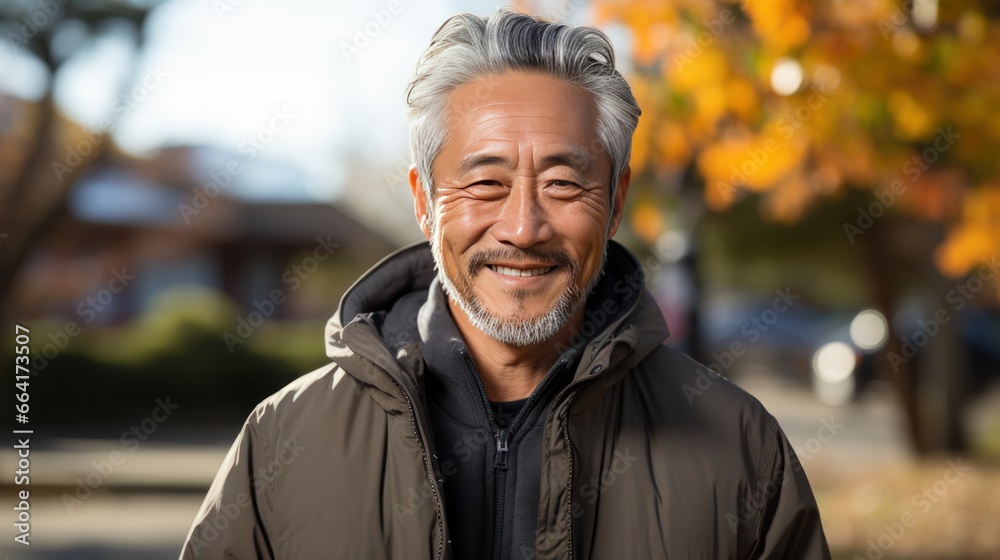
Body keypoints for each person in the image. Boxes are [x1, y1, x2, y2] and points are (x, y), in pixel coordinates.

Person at [180, 8, 831, 560]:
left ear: (616, 199)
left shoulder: (740, 448)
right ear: (424, 199)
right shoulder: (283, 443)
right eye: (486, 182)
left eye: (564, 183)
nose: (523, 227)